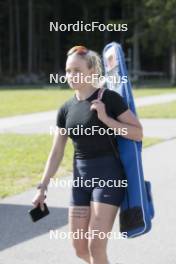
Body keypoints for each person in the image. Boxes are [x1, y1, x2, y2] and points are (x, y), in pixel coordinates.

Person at [32, 46, 143, 264]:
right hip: (80, 181)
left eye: (76, 70)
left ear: (92, 71)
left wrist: (107, 119)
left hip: (109, 179)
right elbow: (56, 152)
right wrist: (42, 187)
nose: (71, 75)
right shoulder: (65, 109)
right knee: (80, 248)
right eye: (68, 70)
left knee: (96, 245)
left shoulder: (108, 99)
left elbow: (137, 133)